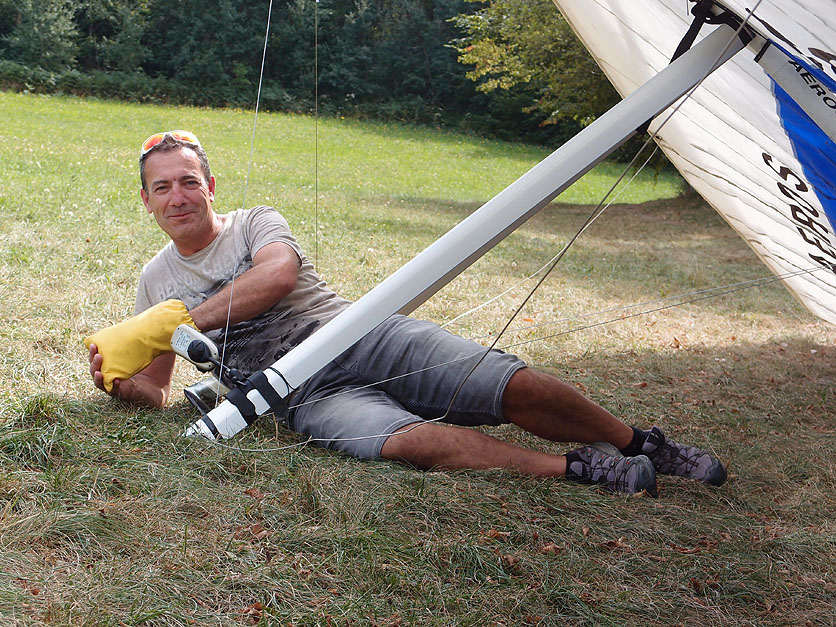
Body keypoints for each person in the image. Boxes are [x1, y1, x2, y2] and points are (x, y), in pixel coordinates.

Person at [86, 130, 727, 497]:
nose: (178, 196)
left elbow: (277, 275)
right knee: (407, 442)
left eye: (188, 181)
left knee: (513, 385)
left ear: (210, 186)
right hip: (301, 396)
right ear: (146, 201)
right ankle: (583, 467)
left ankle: (642, 443)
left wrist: (179, 320)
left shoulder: (256, 222)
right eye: (163, 187)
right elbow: (156, 389)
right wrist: (120, 384)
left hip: (356, 336)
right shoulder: (155, 281)